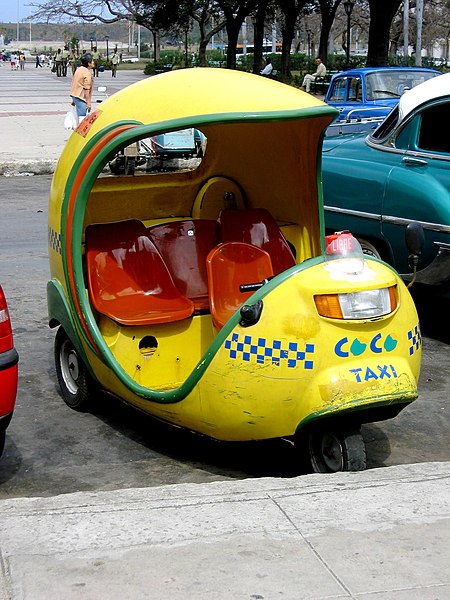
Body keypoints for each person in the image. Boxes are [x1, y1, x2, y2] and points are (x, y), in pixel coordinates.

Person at [69, 52, 94, 120]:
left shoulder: (79, 69)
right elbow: (86, 88)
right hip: (81, 97)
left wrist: (74, 100)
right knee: (82, 117)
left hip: (75, 96)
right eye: (92, 61)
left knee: (79, 116)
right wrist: (88, 102)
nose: (93, 62)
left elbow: (76, 83)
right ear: (89, 63)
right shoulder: (87, 72)